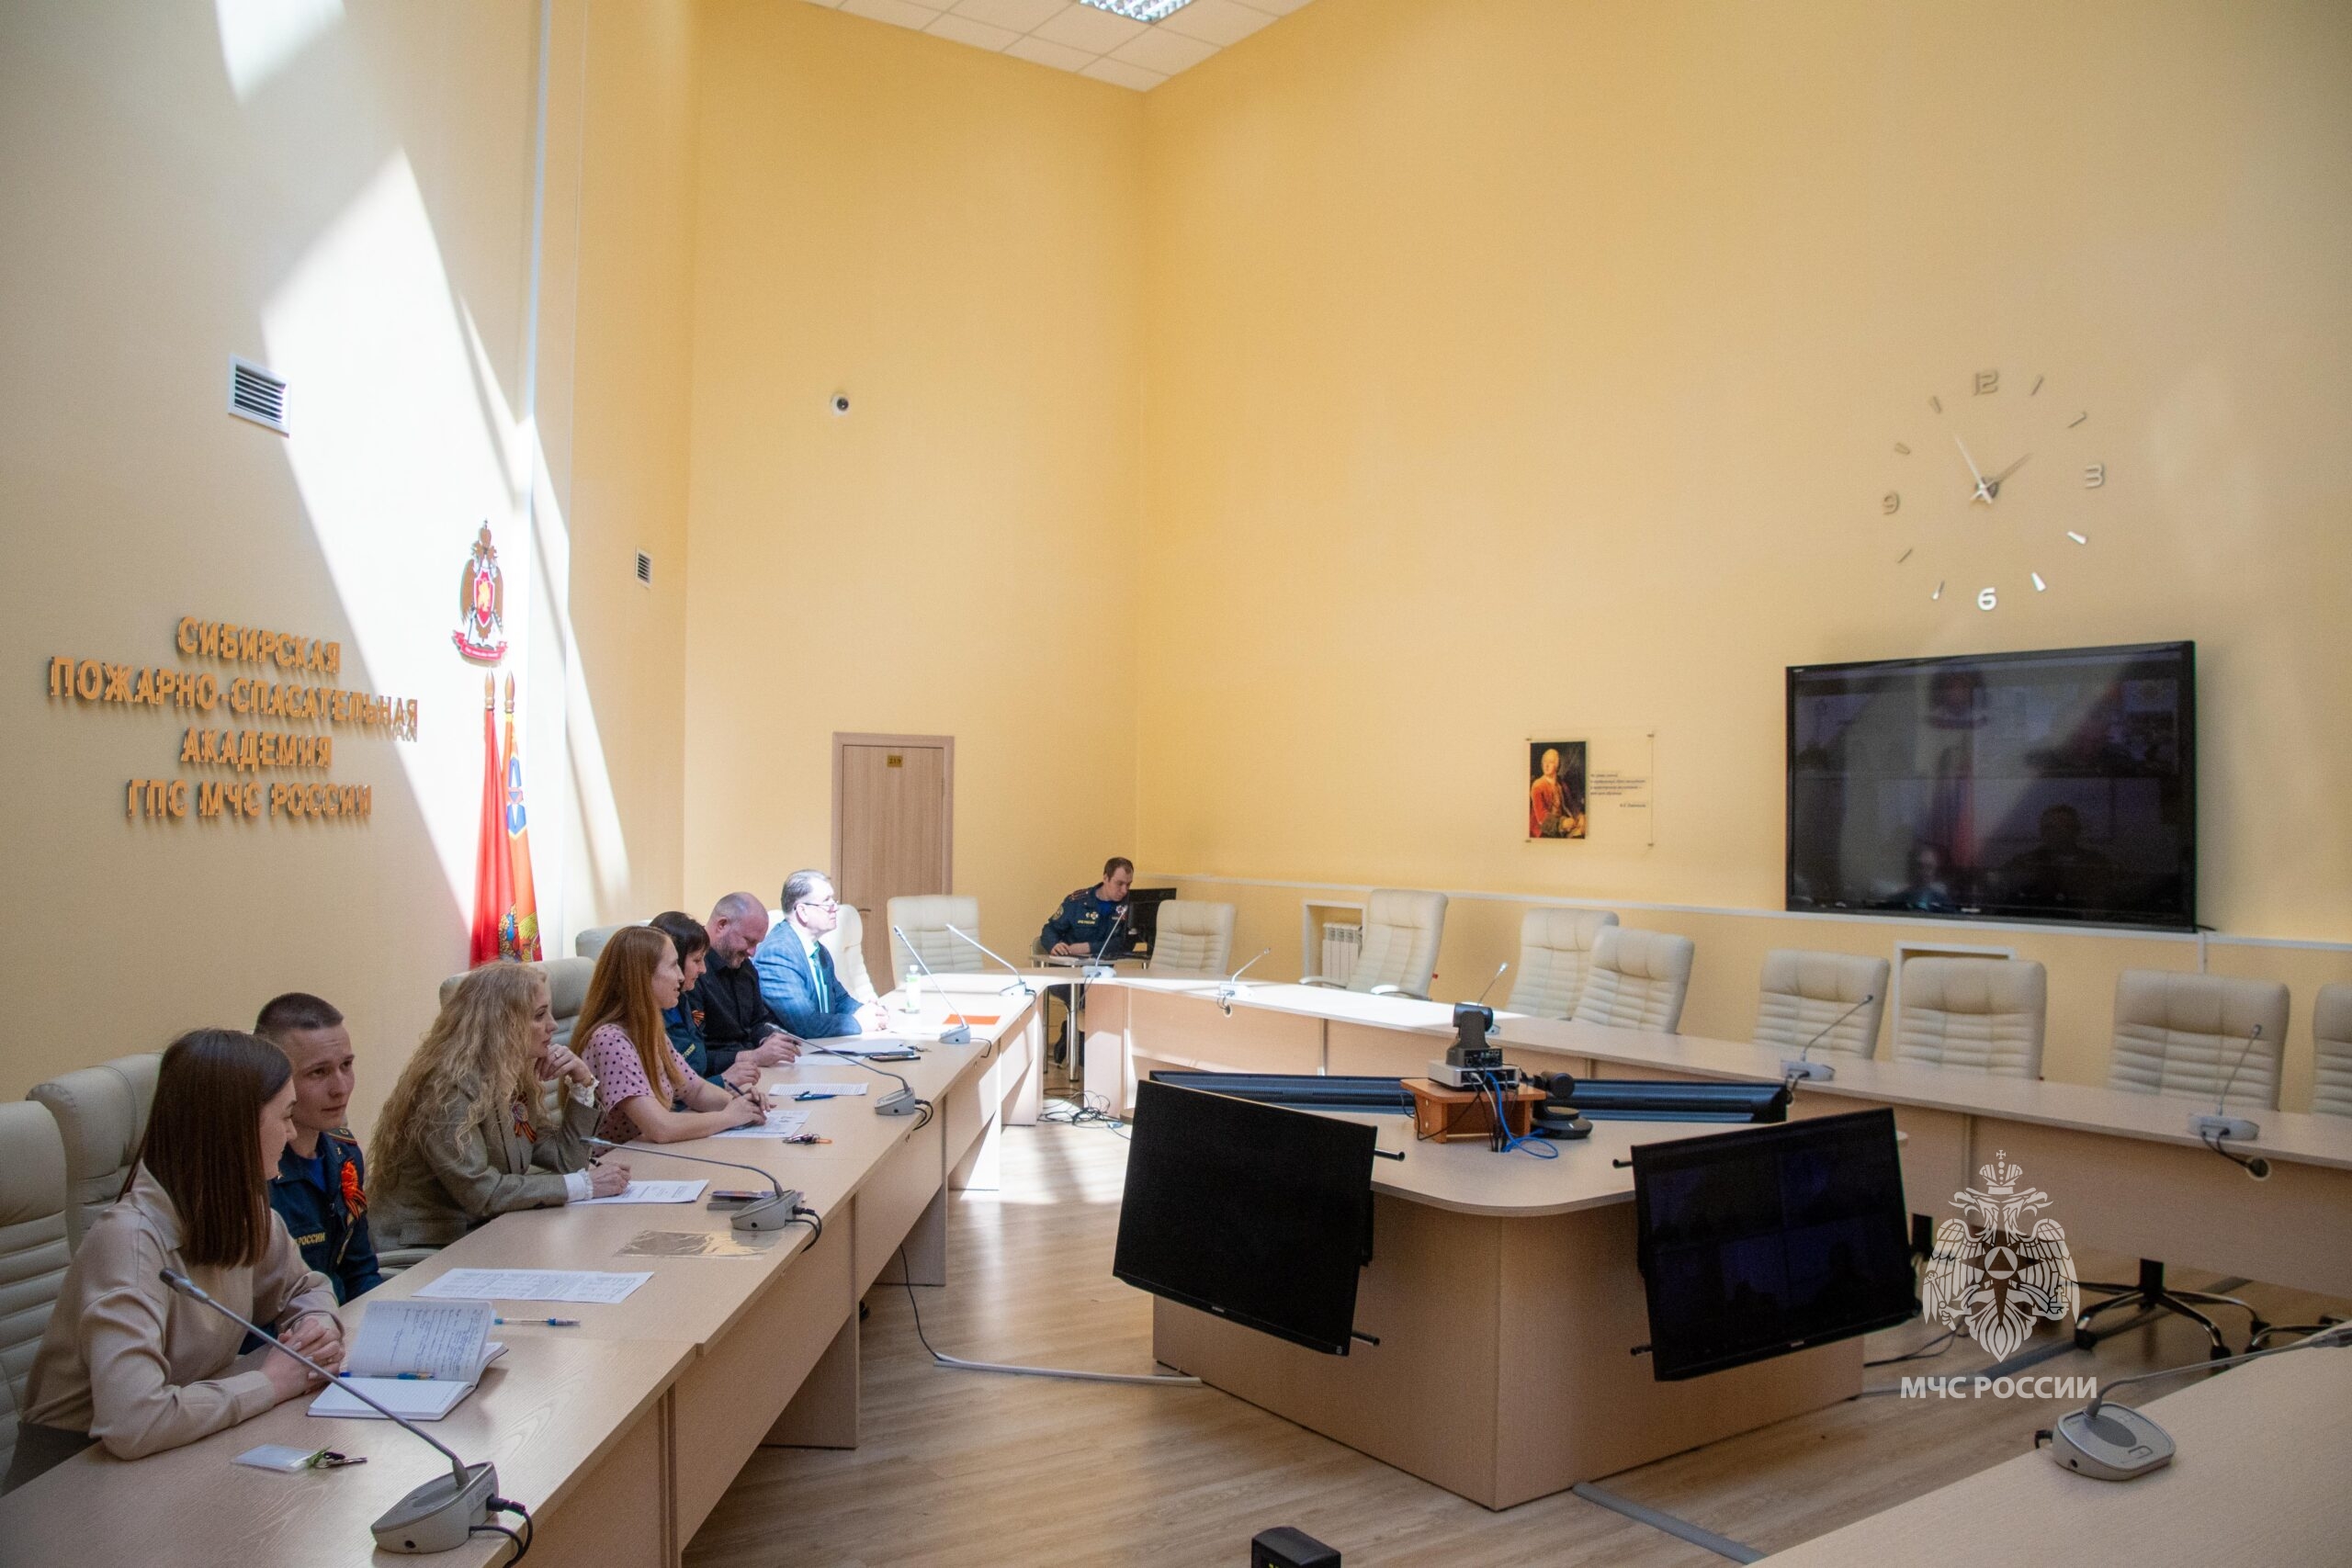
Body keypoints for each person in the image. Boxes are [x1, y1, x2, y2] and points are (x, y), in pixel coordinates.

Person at [5, 1030, 345, 1494]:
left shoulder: (241, 1210)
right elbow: (134, 1421)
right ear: (235, 1128)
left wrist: (315, 1327)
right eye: (285, 1116)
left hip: (175, 1454)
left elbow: (305, 1287)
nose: (291, 1132)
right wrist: (270, 1384)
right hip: (72, 1480)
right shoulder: (129, 1241)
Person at [368, 964, 628, 1250]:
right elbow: (482, 1192)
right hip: (422, 1247)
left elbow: (567, 1161)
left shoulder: (510, 1076)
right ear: (502, 1024)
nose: (553, 1025)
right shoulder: (448, 1087)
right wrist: (583, 1185)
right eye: (539, 1015)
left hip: (480, 1232)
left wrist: (582, 1083)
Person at [578, 925, 767, 1143]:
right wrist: (729, 1117)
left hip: (650, 1155)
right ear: (642, 977)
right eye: (672, 966)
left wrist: (739, 1104)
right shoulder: (610, 1041)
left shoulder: (649, 1031)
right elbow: (661, 1128)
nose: (680, 976)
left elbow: (695, 1090)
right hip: (618, 1158)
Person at [254, 991, 381, 1303]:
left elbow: (359, 1271)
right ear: (273, 1079)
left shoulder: (344, 1153)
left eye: (346, 1065)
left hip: (340, 1319)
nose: (341, 1088)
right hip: (293, 1329)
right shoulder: (260, 1171)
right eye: (318, 1072)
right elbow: (261, 1306)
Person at [754, 870, 894, 1039]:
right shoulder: (777, 954)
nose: (835, 908)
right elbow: (806, 1025)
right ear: (802, 911)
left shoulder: (818, 949)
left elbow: (840, 1000)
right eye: (826, 901)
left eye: (833, 900)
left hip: (826, 1046)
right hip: (797, 1050)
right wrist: (858, 1023)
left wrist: (869, 1012)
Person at [685, 891, 804, 1077]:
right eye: (749, 941)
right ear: (722, 925)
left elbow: (758, 1021)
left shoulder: (745, 968)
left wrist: (768, 1039)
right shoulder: (691, 973)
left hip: (755, 1070)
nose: (752, 952)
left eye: (757, 943)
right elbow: (694, 1056)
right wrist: (754, 1057)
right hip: (717, 1077)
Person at [648, 911, 762, 1092]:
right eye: (697, 960)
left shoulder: (680, 1000)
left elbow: (694, 1072)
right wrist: (723, 1082)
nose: (703, 969)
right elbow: (671, 1095)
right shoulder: (643, 1022)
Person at [1040, 857, 1144, 960]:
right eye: (1119, 884)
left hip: (1108, 967)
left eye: (1128, 884)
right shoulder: (1077, 901)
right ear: (1105, 878)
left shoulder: (1130, 904)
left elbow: (1126, 943)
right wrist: (1054, 945)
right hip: (1072, 965)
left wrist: (1088, 948)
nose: (1124, 890)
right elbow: (1050, 929)